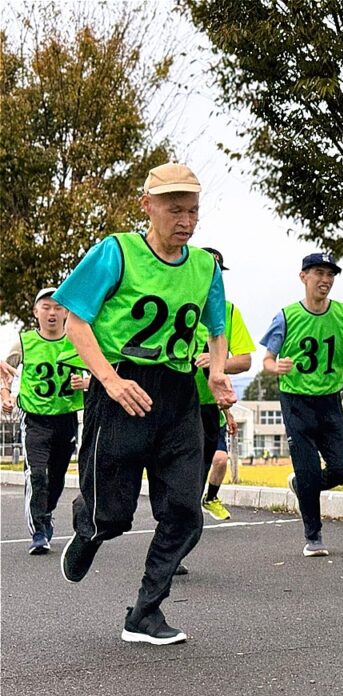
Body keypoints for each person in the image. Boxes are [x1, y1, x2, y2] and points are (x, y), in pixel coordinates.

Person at [53, 161, 235, 645]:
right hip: (122, 390)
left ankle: (145, 614)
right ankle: (89, 530)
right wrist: (109, 381)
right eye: (175, 210)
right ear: (147, 207)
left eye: (193, 211)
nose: (186, 221)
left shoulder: (205, 267)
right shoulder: (116, 252)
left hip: (177, 397)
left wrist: (216, 373)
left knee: (185, 512)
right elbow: (76, 322)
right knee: (112, 516)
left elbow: (216, 328)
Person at [260, 253, 343, 557]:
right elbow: (266, 358)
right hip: (296, 401)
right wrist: (275, 366)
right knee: (308, 471)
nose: (326, 280)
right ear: (303, 276)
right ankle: (313, 536)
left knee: (341, 471)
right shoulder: (286, 316)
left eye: (331, 275)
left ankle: (303, 484)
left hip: (331, 400)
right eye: (319, 273)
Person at [0, 288, 88, 554]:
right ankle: (38, 531)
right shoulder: (23, 342)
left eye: (57, 307)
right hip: (34, 419)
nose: (52, 312)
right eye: (46, 307)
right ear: (35, 312)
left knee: (57, 477)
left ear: (66, 312)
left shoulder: (78, 340)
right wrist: (6, 396)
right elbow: (5, 373)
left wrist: (86, 382)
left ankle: (46, 512)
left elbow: (100, 370)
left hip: (66, 417)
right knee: (37, 474)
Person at [193, 247, 255, 522]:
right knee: (179, 470)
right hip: (175, 401)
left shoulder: (229, 313)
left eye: (216, 273)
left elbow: (244, 361)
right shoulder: (174, 304)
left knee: (214, 460)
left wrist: (217, 361)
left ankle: (207, 498)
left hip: (210, 405)